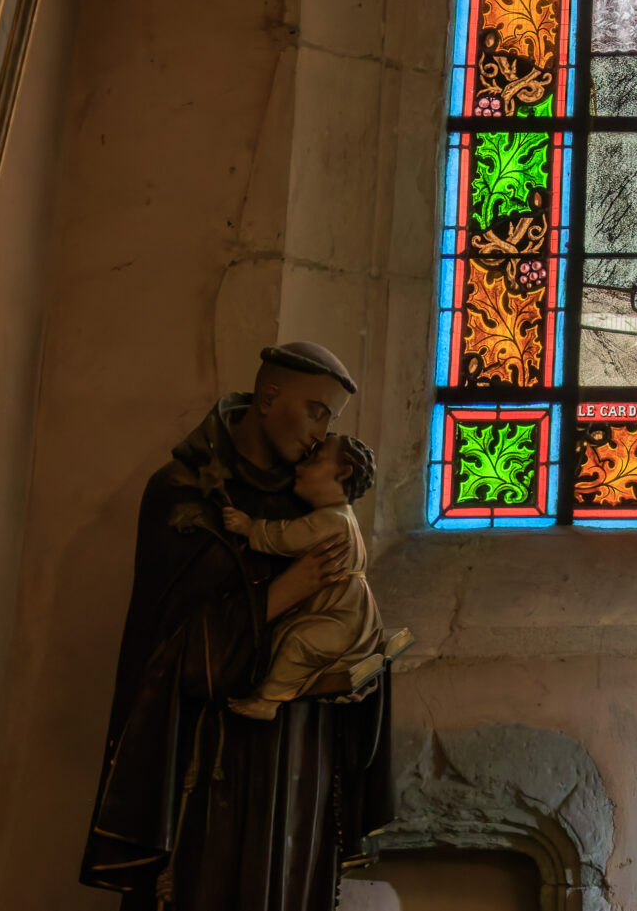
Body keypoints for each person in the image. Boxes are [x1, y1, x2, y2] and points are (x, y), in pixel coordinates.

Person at [83, 342, 393, 906]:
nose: (321, 435)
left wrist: (364, 664)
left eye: (331, 421)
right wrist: (286, 590)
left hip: (301, 760)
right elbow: (170, 653)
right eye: (317, 411)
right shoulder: (185, 495)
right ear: (269, 396)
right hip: (212, 763)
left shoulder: (314, 502)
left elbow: (347, 612)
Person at [222, 433, 385, 721]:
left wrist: (250, 528)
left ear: (342, 473)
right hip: (349, 617)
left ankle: (268, 701)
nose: (299, 467)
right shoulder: (343, 516)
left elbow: (287, 537)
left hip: (342, 622)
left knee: (298, 641)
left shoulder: (332, 519)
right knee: (289, 632)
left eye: (314, 460)